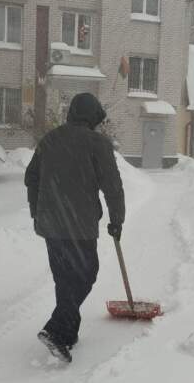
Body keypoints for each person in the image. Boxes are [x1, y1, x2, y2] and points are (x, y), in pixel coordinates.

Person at [24, 92, 125, 363]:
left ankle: (67, 334)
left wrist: (37, 212)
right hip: (80, 225)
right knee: (86, 274)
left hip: (51, 225)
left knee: (65, 279)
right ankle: (56, 329)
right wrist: (117, 219)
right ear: (92, 117)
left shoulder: (50, 139)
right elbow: (112, 187)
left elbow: (31, 178)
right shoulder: (97, 144)